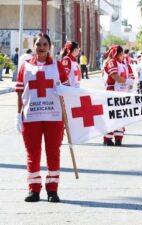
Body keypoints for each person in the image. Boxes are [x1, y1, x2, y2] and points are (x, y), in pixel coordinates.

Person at [15, 32, 69, 202]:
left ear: (50, 46)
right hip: (31, 116)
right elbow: (19, 92)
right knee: (33, 153)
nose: (41, 47)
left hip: (54, 116)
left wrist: (67, 116)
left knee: (53, 153)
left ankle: (52, 190)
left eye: (45, 44)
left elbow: (66, 92)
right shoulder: (25, 66)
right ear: (34, 46)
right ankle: (34, 190)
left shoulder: (58, 66)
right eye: (38, 44)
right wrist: (18, 114)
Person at [103, 45, 135, 146]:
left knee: (122, 115)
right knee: (112, 115)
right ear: (120, 53)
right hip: (112, 91)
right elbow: (115, 76)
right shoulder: (112, 62)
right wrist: (127, 81)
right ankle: (107, 138)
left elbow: (132, 78)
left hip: (123, 93)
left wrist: (130, 85)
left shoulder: (126, 65)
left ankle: (118, 137)